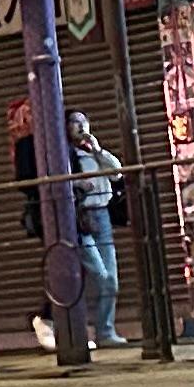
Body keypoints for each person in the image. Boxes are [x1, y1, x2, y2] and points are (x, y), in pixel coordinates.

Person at [69, 109, 126, 349]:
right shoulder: (67, 154)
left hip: (102, 216)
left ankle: (106, 331)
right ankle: (91, 329)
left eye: (84, 121)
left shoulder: (94, 151)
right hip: (82, 218)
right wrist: (79, 183)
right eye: (74, 122)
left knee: (111, 278)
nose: (80, 126)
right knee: (100, 275)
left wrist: (98, 149)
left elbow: (117, 172)